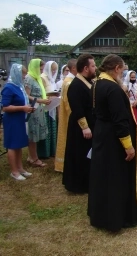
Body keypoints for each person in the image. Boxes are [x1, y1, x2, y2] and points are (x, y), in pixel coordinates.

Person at [88, 54, 137, 232]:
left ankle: (100, 214)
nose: (123, 72)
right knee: (115, 177)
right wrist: (128, 145)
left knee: (102, 176)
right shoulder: (113, 89)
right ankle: (115, 217)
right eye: (123, 69)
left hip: (102, 133)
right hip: (114, 139)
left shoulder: (97, 84)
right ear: (116, 68)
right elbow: (120, 120)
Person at [62, 54, 96, 193]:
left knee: (87, 155)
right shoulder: (76, 85)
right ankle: (77, 185)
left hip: (91, 123)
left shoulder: (88, 82)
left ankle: (87, 182)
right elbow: (77, 108)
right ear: (86, 68)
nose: (95, 68)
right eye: (93, 66)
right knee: (79, 155)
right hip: (80, 127)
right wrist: (85, 127)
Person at [2, 64, 34, 180]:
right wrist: (22, 108)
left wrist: (28, 107)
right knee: (12, 145)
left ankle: (20, 168)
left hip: (20, 118)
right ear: (16, 74)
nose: (25, 76)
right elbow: (5, 107)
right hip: (12, 120)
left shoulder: (19, 86)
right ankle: (14, 171)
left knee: (19, 144)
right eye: (23, 74)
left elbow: (22, 101)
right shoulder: (9, 87)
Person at [25, 59, 50, 168]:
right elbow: (26, 96)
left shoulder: (37, 78)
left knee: (36, 133)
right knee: (33, 134)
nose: (41, 71)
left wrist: (45, 99)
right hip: (33, 110)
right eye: (40, 69)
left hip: (39, 109)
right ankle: (34, 158)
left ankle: (32, 156)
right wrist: (40, 100)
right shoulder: (29, 79)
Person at [54, 59, 77, 172]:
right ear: (73, 68)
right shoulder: (69, 82)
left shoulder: (69, 80)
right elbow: (69, 101)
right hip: (69, 115)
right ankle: (64, 164)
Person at [37, 61, 59, 159]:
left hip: (52, 105)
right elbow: (40, 92)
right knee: (46, 130)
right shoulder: (43, 77)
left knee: (52, 129)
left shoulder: (52, 79)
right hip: (45, 106)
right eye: (52, 70)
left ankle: (52, 150)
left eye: (55, 70)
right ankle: (44, 152)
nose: (54, 72)